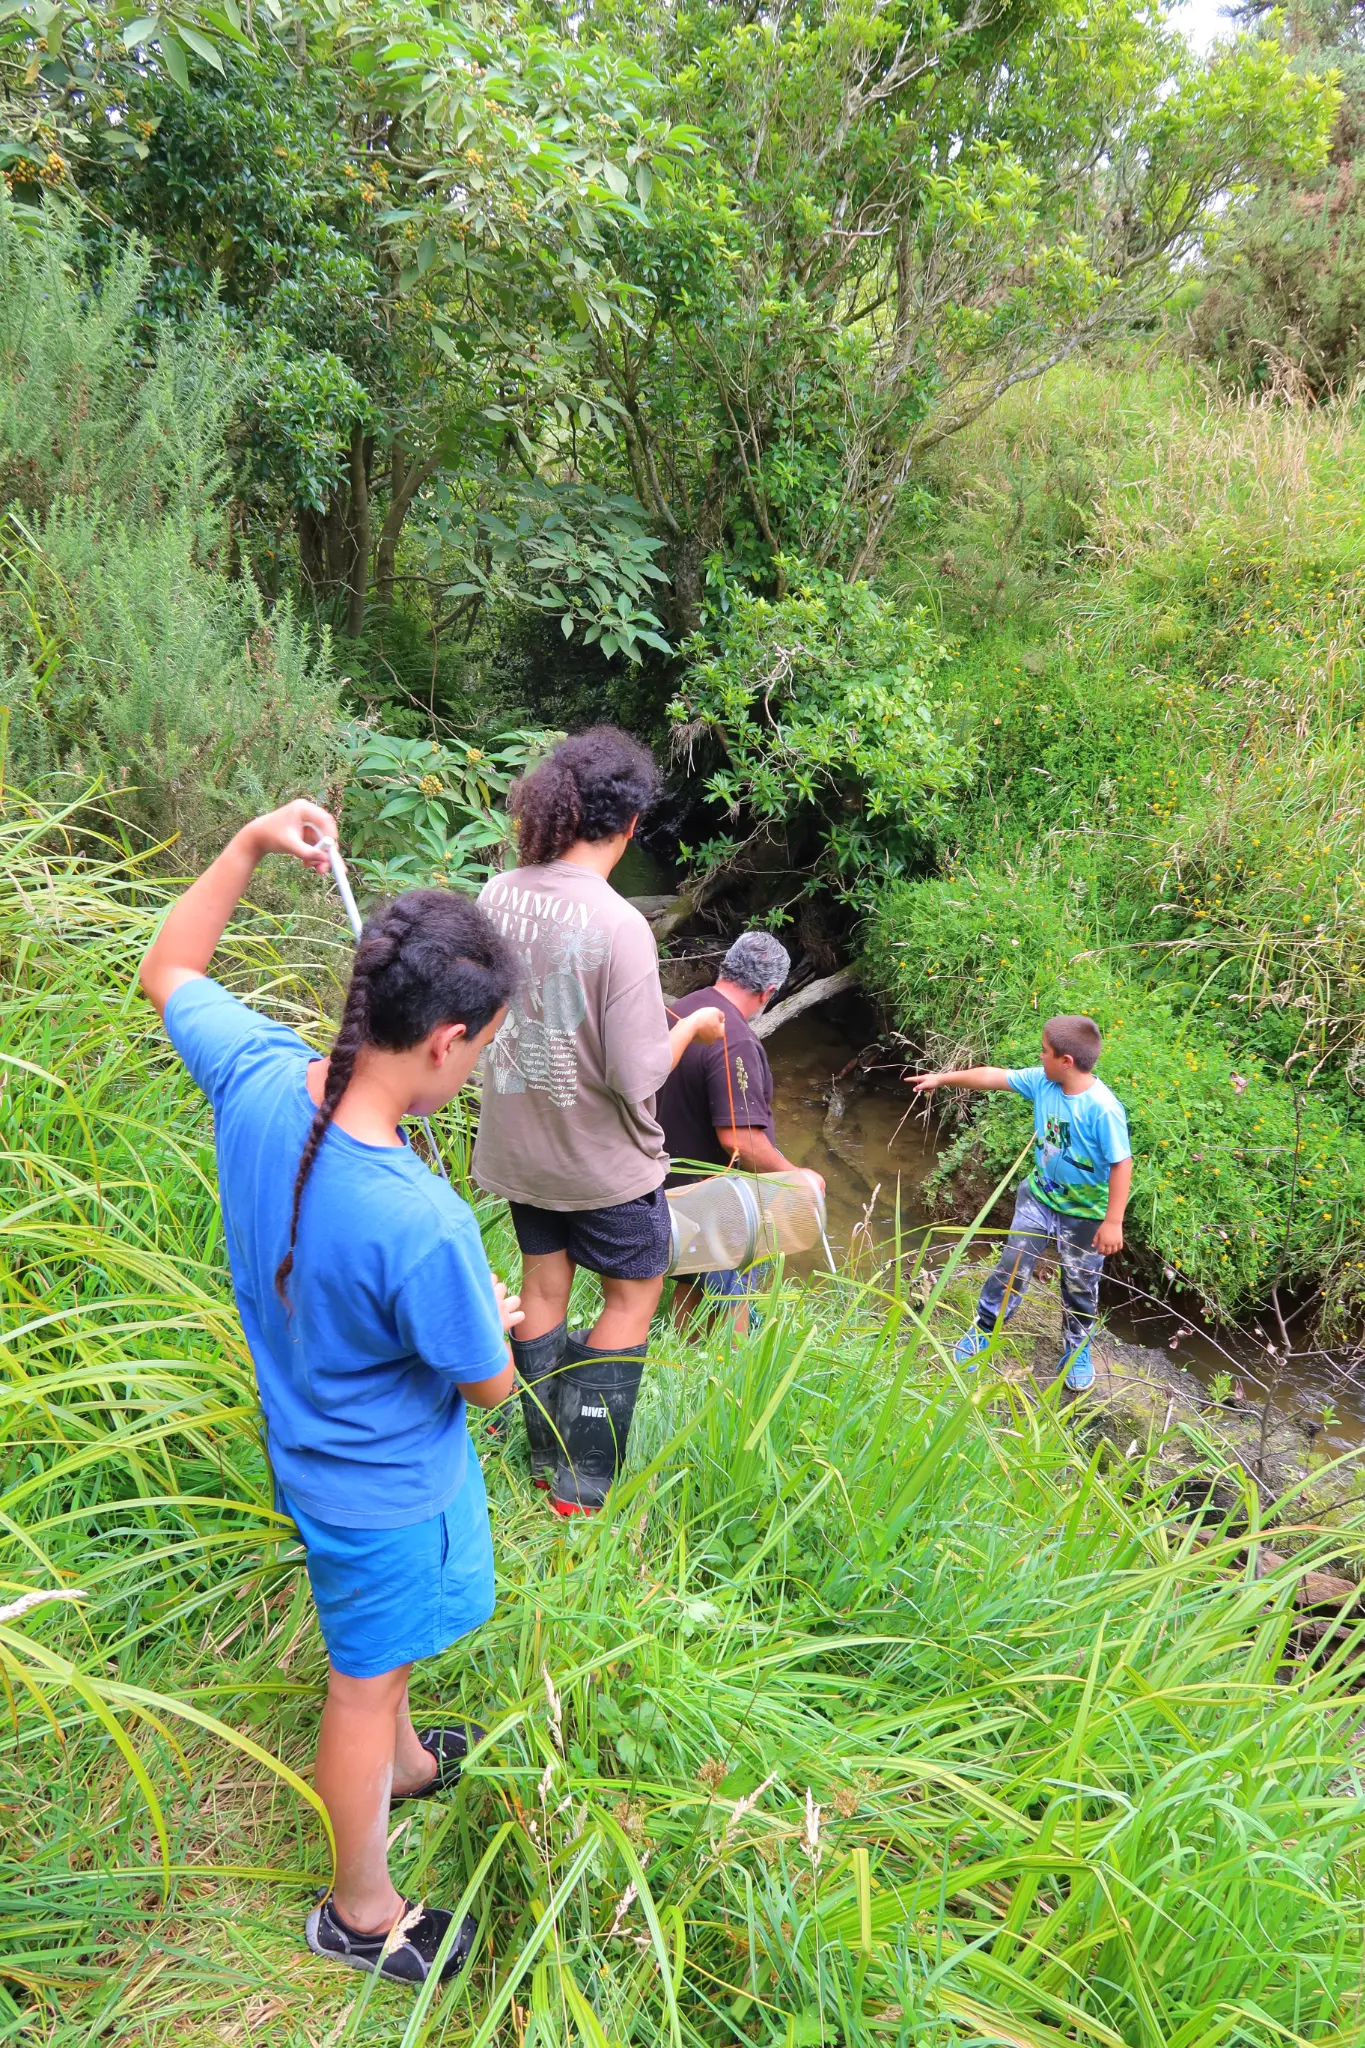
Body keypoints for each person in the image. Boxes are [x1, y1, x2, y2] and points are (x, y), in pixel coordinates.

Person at [139, 799, 521, 1989]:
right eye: (490, 1043)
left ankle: (404, 1759)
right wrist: (495, 1322)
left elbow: (167, 966)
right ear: (447, 1038)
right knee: (361, 1685)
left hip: (308, 1450)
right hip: (384, 1492)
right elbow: (494, 1389)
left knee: (384, 1662)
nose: (485, 1061)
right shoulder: (423, 1221)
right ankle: (363, 1910)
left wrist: (250, 845)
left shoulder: (257, 1073)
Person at [473, 727, 726, 1515]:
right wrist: (688, 1027)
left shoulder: (497, 894)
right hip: (601, 1167)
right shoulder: (620, 924)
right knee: (630, 1300)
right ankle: (579, 1485)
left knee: (543, 1288)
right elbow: (634, 1074)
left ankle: (540, 1451)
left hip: (519, 1152)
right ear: (627, 824)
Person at [911, 1014, 1132, 1392]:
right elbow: (992, 1076)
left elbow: (1121, 1163)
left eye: (1044, 1052)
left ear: (1066, 1061)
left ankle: (1076, 1347)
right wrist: (941, 1078)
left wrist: (1113, 1221)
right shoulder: (1044, 1082)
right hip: (1040, 1198)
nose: (1038, 1057)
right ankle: (984, 1328)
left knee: (1080, 1284)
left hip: (1086, 1215)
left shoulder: (1102, 1109)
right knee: (1012, 1263)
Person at [658, 931, 822, 1326]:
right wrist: (794, 1178)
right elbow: (740, 1140)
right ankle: (729, 1380)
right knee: (735, 1293)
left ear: (725, 966)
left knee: (695, 1281)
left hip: (663, 1182)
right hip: (710, 1197)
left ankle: (681, 1358)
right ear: (768, 992)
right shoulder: (735, 1040)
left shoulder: (681, 1009)